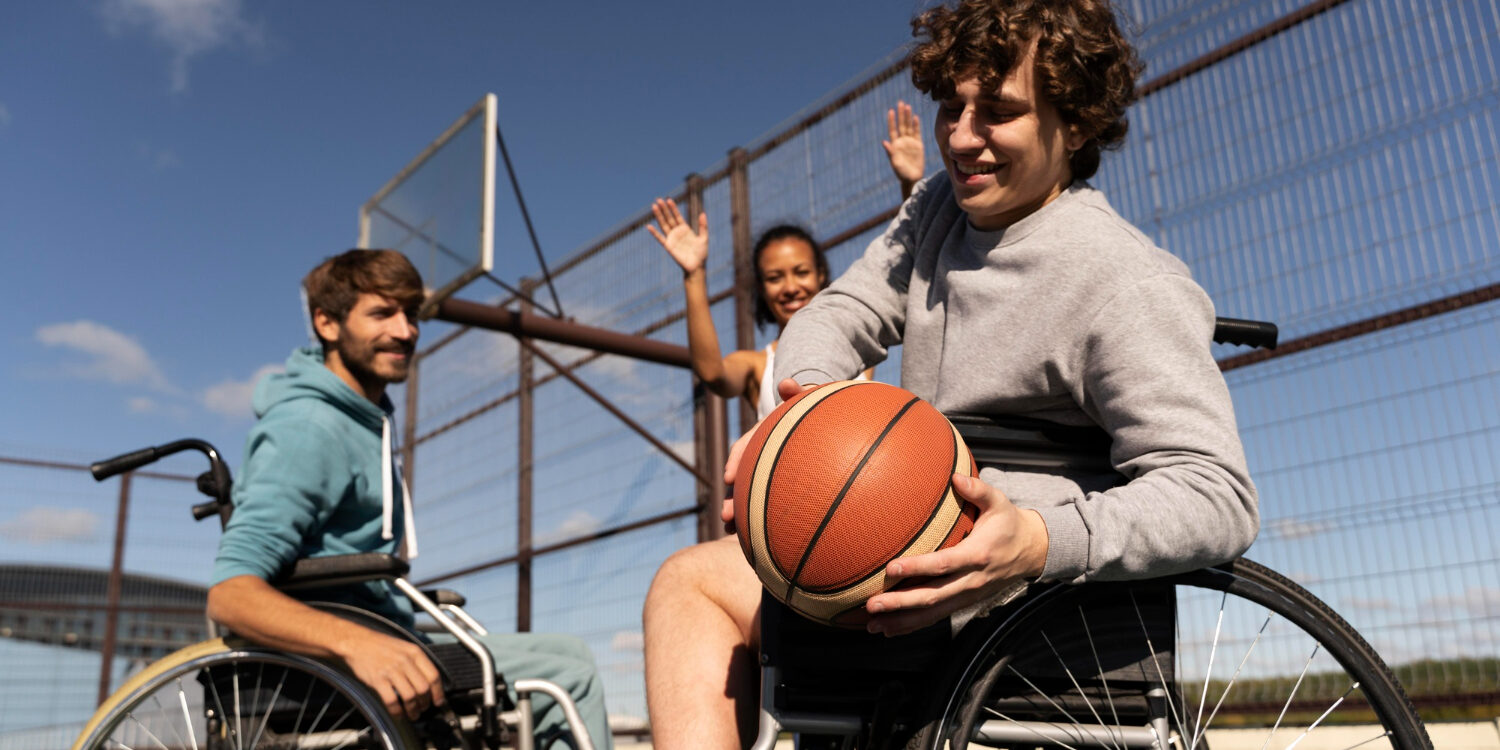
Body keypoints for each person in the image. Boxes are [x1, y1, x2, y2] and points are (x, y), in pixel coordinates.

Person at [641, 1, 1259, 747]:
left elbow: (1216, 495)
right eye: (951, 107)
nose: (961, 138)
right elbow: (840, 312)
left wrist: (1036, 541)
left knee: (691, 585)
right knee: (688, 581)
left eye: (998, 111)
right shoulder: (937, 208)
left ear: (1078, 123)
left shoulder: (1126, 281)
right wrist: (801, 422)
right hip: (890, 559)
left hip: (1013, 603)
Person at [207, 249, 612, 749]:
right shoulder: (309, 428)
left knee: (570, 653)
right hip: (330, 660)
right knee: (569, 678)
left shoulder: (361, 419)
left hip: (380, 627)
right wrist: (358, 645)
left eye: (411, 314)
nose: (406, 331)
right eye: (382, 314)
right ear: (327, 324)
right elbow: (231, 594)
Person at [645, 106, 918, 419]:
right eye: (775, 277)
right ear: (762, 289)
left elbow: (907, 273)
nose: (790, 287)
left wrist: (911, 188)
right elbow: (713, 373)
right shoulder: (757, 364)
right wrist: (694, 275)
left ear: (821, 275)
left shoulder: (853, 343)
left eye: (801, 272)